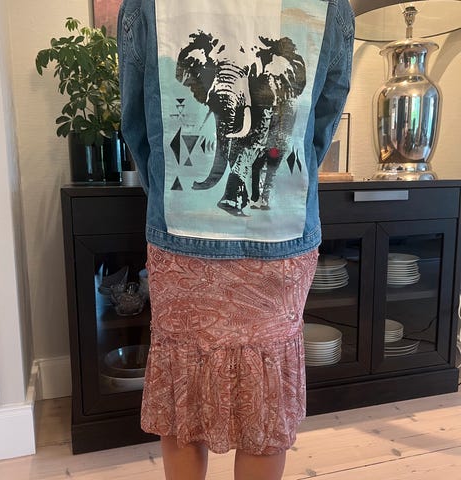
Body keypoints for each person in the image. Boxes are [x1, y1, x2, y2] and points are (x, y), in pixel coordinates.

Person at [117, 0, 354, 478]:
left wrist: (166, 194)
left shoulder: (142, 3)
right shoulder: (332, 5)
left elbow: (136, 127)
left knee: (184, 391)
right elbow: (320, 127)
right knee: (265, 400)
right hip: (282, 233)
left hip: (180, 235)